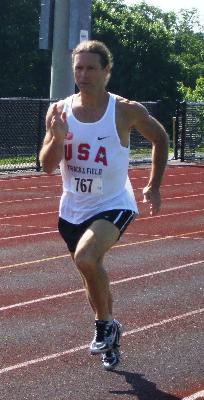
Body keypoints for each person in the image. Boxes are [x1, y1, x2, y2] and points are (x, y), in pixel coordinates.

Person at [39, 40, 169, 370]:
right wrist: (57, 136)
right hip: (72, 209)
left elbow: (161, 138)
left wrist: (153, 185)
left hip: (113, 202)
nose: (83, 75)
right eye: (78, 68)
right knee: (90, 274)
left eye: (91, 68)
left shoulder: (125, 110)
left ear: (107, 72)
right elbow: (47, 165)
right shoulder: (59, 110)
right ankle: (109, 327)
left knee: (87, 256)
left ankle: (103, 327)